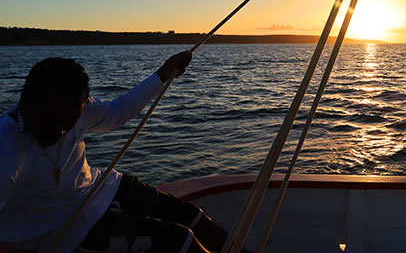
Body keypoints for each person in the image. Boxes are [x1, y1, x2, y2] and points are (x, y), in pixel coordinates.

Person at [0, 52, 243, 253]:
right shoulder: (6, 149)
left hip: (100, 187)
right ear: (27, 101)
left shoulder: (72, 107)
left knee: (195, 218)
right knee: (181, 241)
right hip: (65, 229)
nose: (62, 130)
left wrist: (163, 75)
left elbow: (116, 114)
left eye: (70, 121)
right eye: (52, 121)